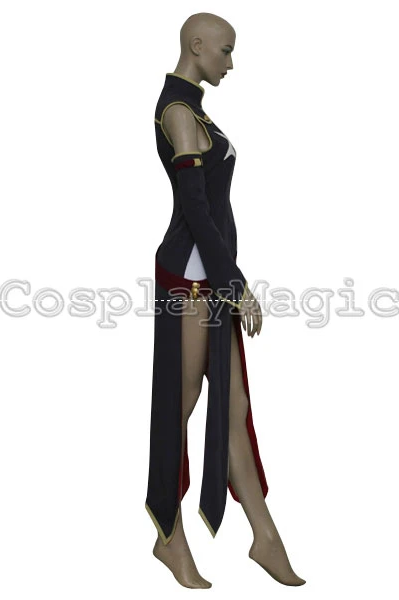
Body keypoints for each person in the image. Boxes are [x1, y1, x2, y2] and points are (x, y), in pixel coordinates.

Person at [144, 12, 306, 589]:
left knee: (232, 405)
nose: (230, 63)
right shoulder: (178, 112)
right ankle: (168, 536)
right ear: (198, 46)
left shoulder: (195, 111)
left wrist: (229, 279)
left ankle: (265, 537)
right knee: (182, 403)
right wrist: (234, 283)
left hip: (209, 275)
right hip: (192, 279)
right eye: (225, 51)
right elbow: (195, 210)